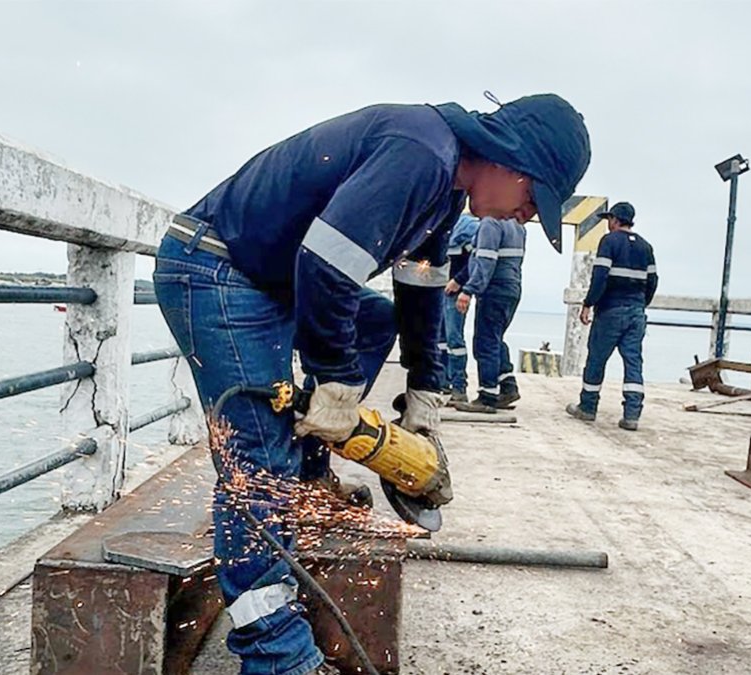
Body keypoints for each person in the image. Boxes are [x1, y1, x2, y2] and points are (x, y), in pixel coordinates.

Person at [154, 94, 590, 675]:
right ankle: (276, 654)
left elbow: (420, 288)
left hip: (268, 278)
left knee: (375, 319)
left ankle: (307, 476)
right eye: (534, 199)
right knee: (254, 465)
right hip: (216, 268)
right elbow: (325, 267)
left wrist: (425, 390)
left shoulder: (446, 187)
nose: (528, 216)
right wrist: (334, 381)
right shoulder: (420, 153)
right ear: (512, 161)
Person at [565, 201, 658, 431]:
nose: (608, 224)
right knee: (633, 361)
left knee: (596, 358)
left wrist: (588, 304)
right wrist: (640, 304)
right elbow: (653, 281)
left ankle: (587, 407)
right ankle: (632, 415)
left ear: (615, 220)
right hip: (636, 312)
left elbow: (599, 277)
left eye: (609, 220)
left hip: (610, 311)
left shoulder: (609, 242)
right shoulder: (646, 247)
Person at [447, 216, 526, 412]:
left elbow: (485, 261)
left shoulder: (491, 223)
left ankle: (487, 396)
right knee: (495, 339)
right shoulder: (518, 226)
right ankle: (508, 386)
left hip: (494, 289)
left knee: (485, 343)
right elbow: (477, 258)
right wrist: (460, 280)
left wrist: (468, 290)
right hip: (512, 288)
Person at [439, 214, 480, 403]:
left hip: (455, 291)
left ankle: (459, 387)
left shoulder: (469, 227)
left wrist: (460, 282)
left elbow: (475, 261)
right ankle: (442, 381)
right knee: (440, 339)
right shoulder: (442, 225)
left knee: (454, 339)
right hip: (440, 287)